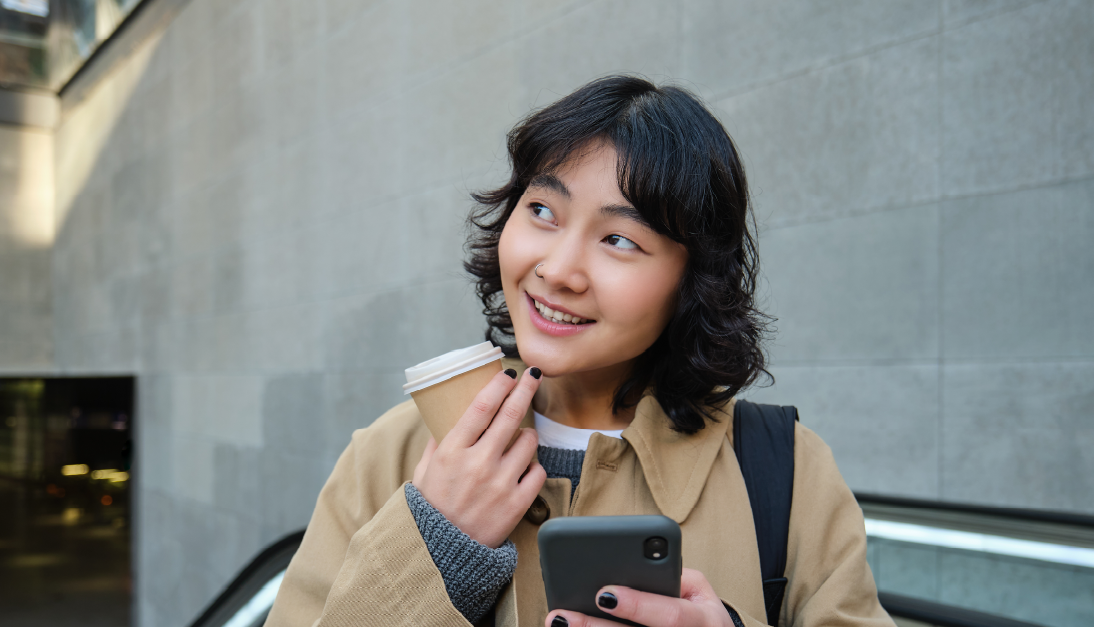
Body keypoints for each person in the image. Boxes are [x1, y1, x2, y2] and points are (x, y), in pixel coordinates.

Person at [264, 76, 893, 627]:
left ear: (691, 281)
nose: (559, 269)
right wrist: (438, 546)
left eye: (620, 239)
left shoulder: (780, 470)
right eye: (542, 210)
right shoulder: (393, 454)